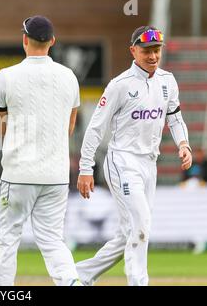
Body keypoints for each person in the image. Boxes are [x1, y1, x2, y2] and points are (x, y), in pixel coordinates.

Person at [76, 26, 193, 286]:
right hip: (122, 161)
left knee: (131, 231)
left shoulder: (167, 81)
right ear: (133, 51)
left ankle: (79, 275)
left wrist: (183, 144)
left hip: (149, 164)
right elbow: (96, 127)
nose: (152, 56)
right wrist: (86, 168)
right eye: (146, 51)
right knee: (141, 226)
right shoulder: (120, 85)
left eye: (156, 50)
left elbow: (174, 118)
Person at [0, 15, 81, 286]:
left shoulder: (6, 76)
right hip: (56, 174)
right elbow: (70, 126)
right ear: (52, 41)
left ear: (24, 40)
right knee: (53, 239)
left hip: (19, 172)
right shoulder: (69, 76)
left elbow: (0, 127)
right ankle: (70, 281)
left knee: (8, 238)